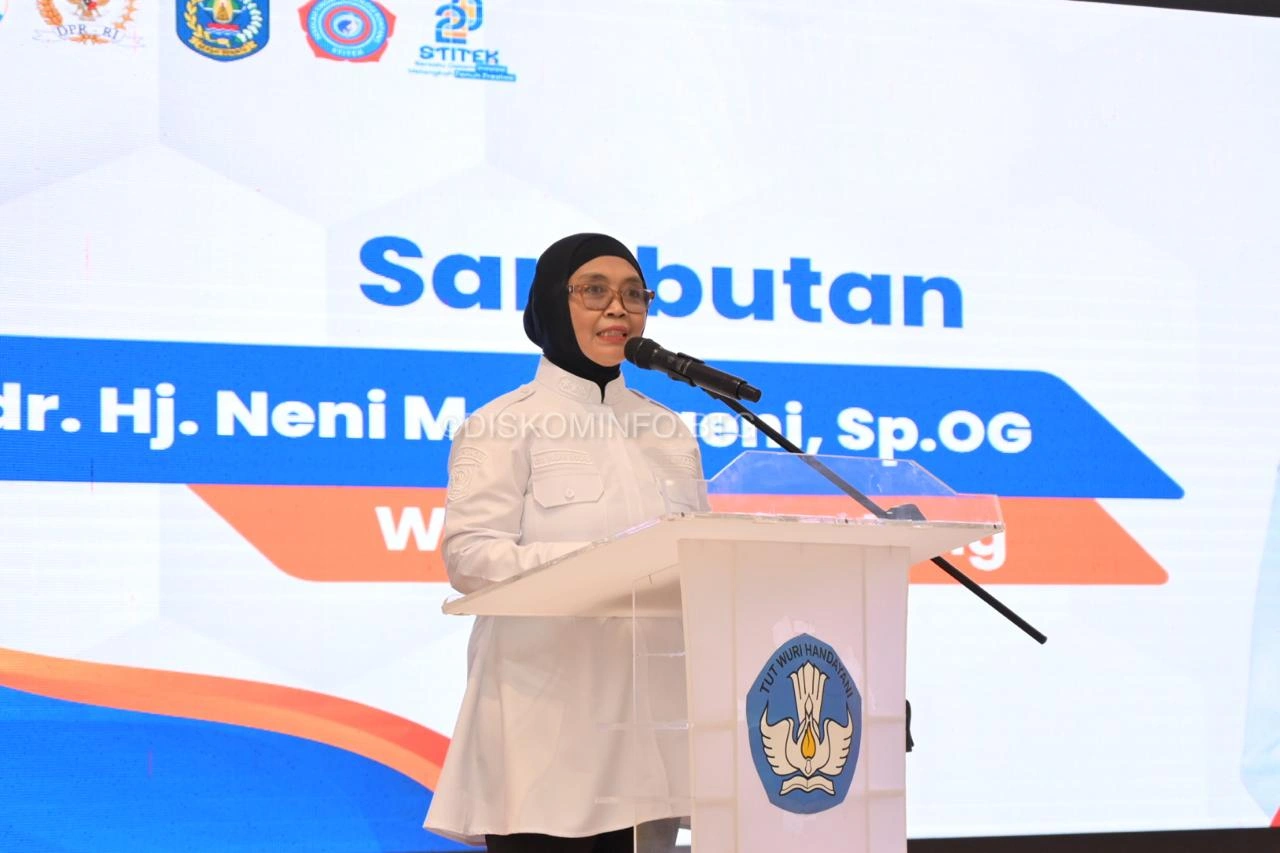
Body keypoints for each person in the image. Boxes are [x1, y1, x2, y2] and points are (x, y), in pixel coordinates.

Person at [424, 233, 703, 852]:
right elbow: (470, 557)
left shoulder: (668, 430)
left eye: (633, 294)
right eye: (594, 291)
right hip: (544, 735)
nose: (618, 308)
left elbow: (698, 562)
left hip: (651, 733)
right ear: (552, 302)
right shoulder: (502, 423)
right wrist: (602, 566)